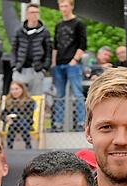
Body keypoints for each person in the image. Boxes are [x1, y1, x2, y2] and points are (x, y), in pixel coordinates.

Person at [52, 0, 87, 130]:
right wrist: (54, 63)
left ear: (71, 6)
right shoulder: (58, 25)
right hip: (59, 64)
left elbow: (83, 44)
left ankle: (81, 122)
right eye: (61, 6)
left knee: (77, 94)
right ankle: (58, 124)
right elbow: (55, 45)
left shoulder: (79, 23)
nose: (63, 8)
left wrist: (74, 60)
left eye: (66, 6)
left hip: (72, 63)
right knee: (59, 95)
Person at [11, 3, 51, 96]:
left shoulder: (44, 31)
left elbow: (48, 51)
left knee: (36, 97)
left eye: (37, 12)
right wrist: (14, 66)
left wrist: (44, 67)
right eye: (32, 12)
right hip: (20, 68)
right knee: (18, 97)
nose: (35, 15)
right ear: (27, 14)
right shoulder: (19, 30)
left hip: (36, 69)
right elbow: (14, 49)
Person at [0, 80, 35, 149]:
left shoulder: (29, 101)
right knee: (13, 125)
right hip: (12, 124)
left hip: (25, 123)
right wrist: (7, 118)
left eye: (17, 89)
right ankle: (27, 146)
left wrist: (14, 118)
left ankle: (10, 147)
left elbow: (28, 116)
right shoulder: (9, 100)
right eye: (12, 89)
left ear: (22, 89)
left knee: (20, 123)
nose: (14, 91)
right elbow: (2, 115)